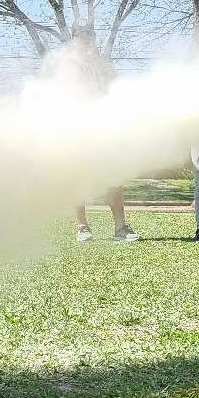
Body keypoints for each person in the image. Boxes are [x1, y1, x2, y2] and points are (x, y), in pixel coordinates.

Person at [56, 26, 139, 243]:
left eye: (89, 34)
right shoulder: (68, 62)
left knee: (114, 176)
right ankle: (82, 227)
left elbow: (114, 87)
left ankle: (120, 228)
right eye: (81, 34)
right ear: (73, 38)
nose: (86, 38)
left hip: (105, 126)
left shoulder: (102, 61)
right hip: (79, 128)